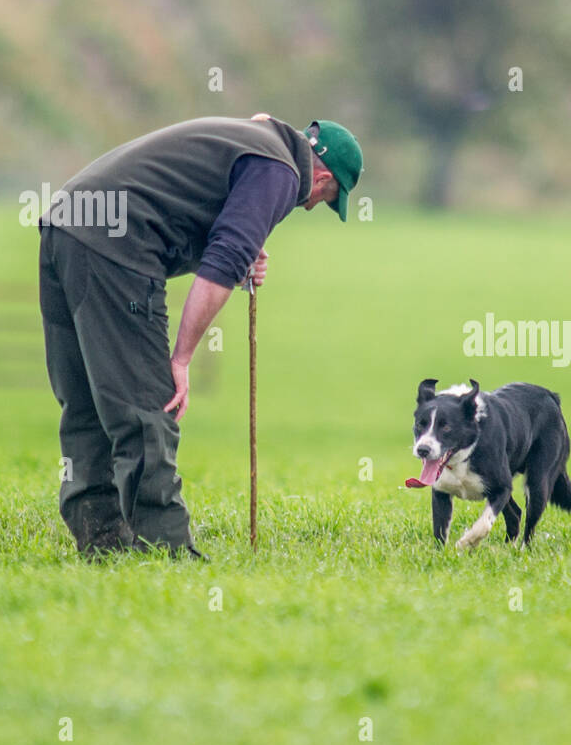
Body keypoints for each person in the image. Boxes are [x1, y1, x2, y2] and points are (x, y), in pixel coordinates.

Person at [36, 114, 363, 557]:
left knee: (86, 403)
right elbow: (223, 263)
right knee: (148, 406)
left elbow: (187, 210)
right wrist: (182, 358)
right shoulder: (282, 171)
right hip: (116, 245)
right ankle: (167, 552)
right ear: (322, 176)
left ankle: (102, 543)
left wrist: (241, 248)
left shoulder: (257, 138)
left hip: (64, 222)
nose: (312, 206)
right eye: (326, 198)